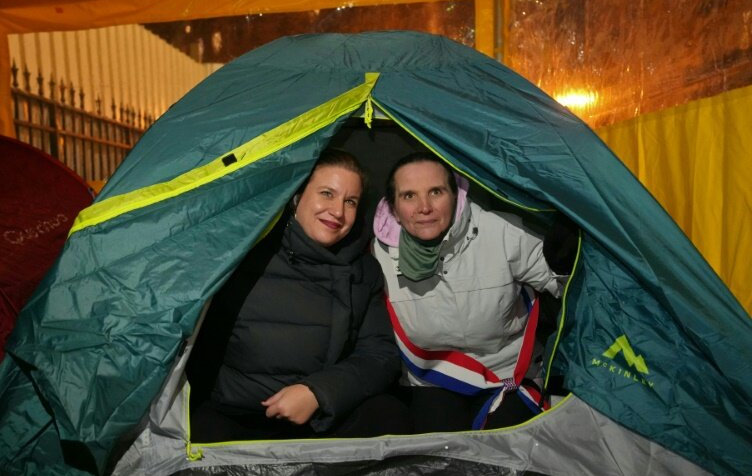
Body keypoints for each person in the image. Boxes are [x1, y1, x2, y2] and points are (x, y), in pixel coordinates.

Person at [189, 149, 410, 442]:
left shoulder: (363, 269)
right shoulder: (244, 253)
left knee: (389, 414)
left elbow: (379, 355)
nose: (338, 211)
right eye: (327, 194)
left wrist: (318, 393)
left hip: (321, 419)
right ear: (297, 196)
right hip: (236, 416)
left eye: (350, 201)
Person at [372, 152, 575, 433]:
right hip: (432, 377)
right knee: (440, 454)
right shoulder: (377, 255)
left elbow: (567, 289)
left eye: (436, 191)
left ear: (456, 195)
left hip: (508, 374)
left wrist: (567, 265)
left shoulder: (503, 231)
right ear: (393, 208)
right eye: (409, 196)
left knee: (510, 450)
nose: (424, 207)